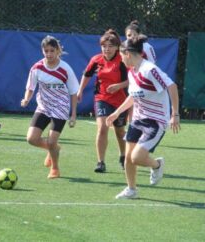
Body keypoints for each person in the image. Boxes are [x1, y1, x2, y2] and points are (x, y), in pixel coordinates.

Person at [106, 37, 180, 199]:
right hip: (138, 120)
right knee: (128, 157)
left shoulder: (150, 69)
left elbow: (172, 86)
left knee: (137, 157)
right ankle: (131, 190)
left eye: (120, 55)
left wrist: (175, 114)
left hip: (156, 121)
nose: (120, 59)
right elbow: (133, 96)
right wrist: (117, 112)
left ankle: (157, 165)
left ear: (127, 53)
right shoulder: (132, 72)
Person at [21, 35, 79, 179]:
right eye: (46, 51)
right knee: (31, 139)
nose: (49, 54)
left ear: (57, 50)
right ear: (42, 51)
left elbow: (73, 92)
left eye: (52, 51)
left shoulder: (65, 69)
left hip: (60, 107)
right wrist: (26, 99)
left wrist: (73, 114)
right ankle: (54, 148)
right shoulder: (37, 68)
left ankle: (55, 168)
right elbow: (30, 87)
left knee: (52, 140)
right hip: (44, 107)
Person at [77, 29, 128, 172]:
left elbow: (131, 80)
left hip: (121, 101)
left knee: (119, 131)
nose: (107, 49)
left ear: (117, 47)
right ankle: (101, 162)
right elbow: (86, 75)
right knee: (102, 128)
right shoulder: (96, 60)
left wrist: (119, 86)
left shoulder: (123, 60)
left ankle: (123, 156)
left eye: (110, 46)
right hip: (102, 98)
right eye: (104, 46)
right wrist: (80, 90)